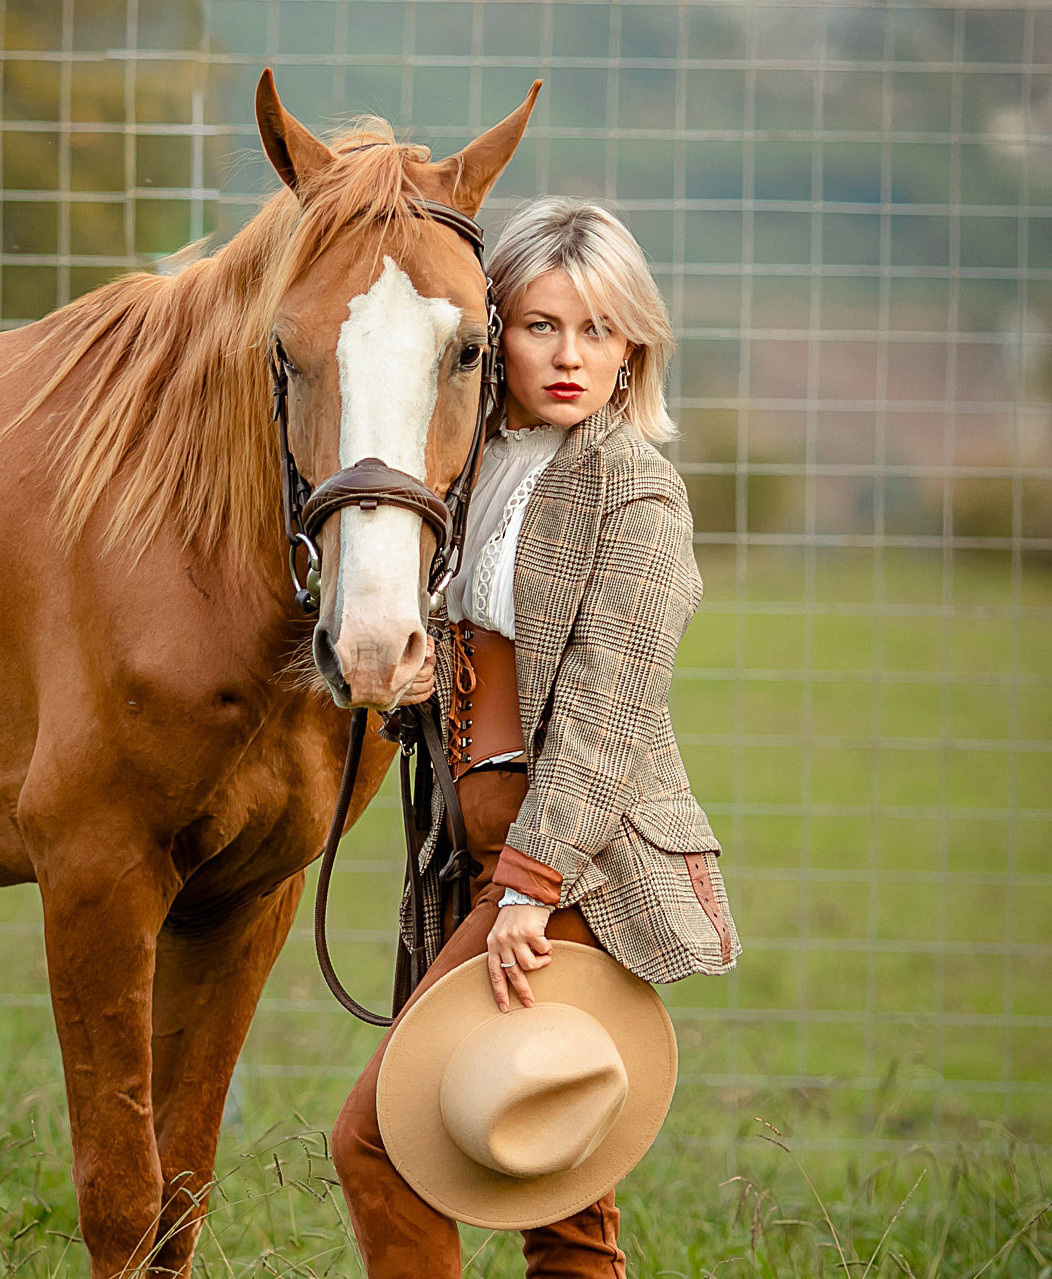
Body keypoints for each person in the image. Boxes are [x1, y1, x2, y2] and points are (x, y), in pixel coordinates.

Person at [331, 197, 740, 1279]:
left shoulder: (635, 491)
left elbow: (609, 712)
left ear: (631, 349)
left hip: (569, 862)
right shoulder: (466, 475)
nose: (570, 356)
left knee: (383, 1139)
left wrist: (530, 884)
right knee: (551, 1186)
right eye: (542, 325)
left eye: (598, 330)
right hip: (467, 853)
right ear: (495, 329)